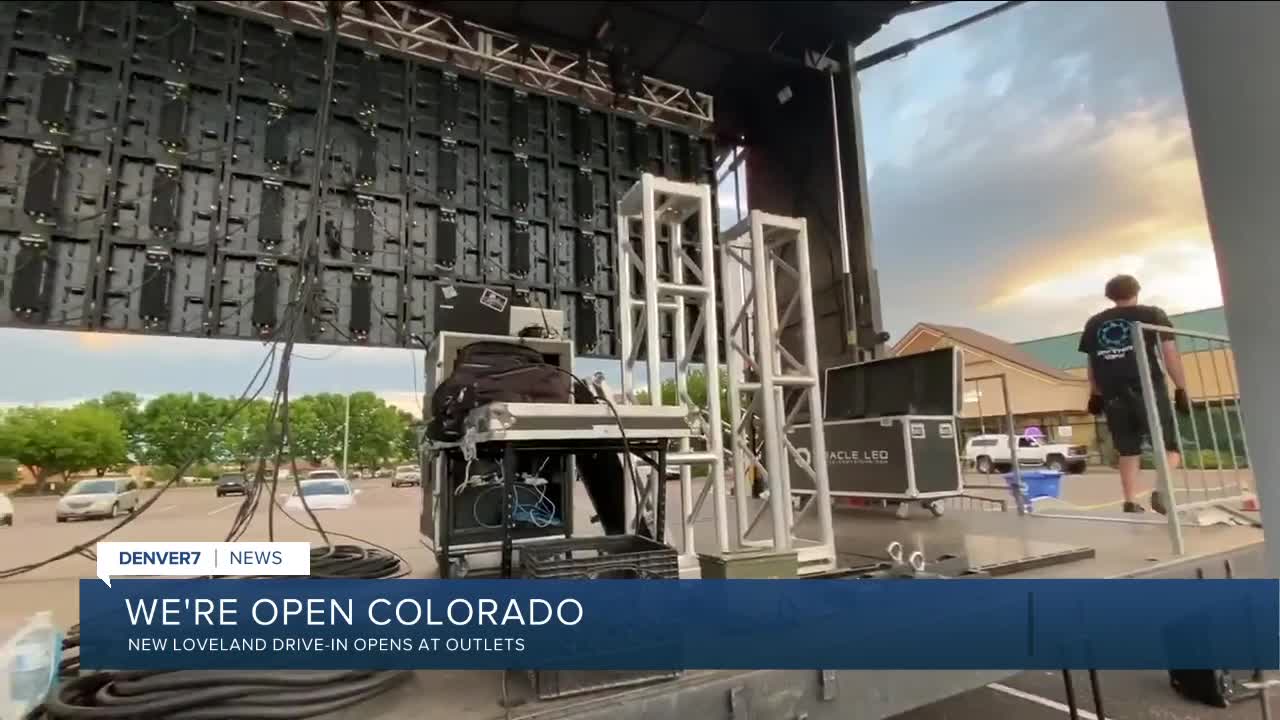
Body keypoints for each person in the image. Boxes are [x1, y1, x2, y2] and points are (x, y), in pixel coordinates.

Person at [1078, 275, 1191, 514]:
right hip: (1147, 389)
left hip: (1113, 394)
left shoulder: (1094, 323)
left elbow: (1093, 364)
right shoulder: (1152, 315)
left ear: (1110, 295)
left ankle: (1129, 501)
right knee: (1170, 447)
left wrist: (1095, 393)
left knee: (1128, 449)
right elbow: (1169, 354)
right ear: (1137, 290)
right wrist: (1181, 388)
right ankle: (1161, 492)